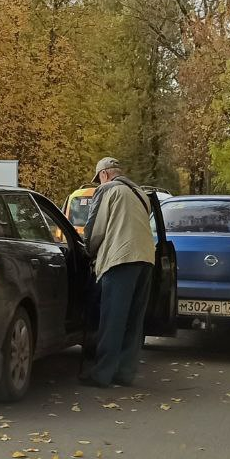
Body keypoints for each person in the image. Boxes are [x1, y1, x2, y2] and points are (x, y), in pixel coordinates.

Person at [80, 157, 155, 388]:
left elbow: (95, 229)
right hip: (146, 259)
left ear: (104, 174)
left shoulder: (107, 190)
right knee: (134, 320)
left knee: (112, 319)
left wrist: (88, 251)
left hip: (120, 260)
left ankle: (102, 374)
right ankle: (125, 373)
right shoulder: (141, 193)